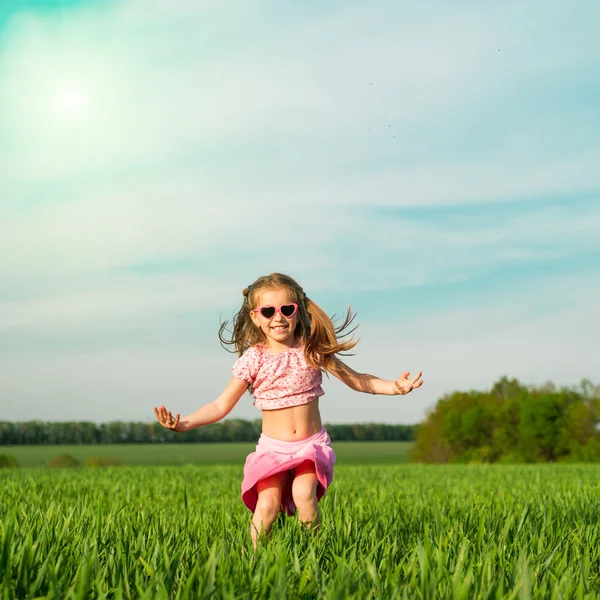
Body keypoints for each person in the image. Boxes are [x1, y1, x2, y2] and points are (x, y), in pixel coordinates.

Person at [154, 273, 423, 547]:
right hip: (272, 449)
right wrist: (183, 424)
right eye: (268, 311)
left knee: (304, 494)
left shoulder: (311, 351)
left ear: (298, 311)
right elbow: (221, 405)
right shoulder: (253, 359)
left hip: (310, 445)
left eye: (286, 309)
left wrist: (395, 387)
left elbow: (356, 379)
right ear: (255, 317)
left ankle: (314, 553)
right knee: (267, 506)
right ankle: (254, 562)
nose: (278, 318)